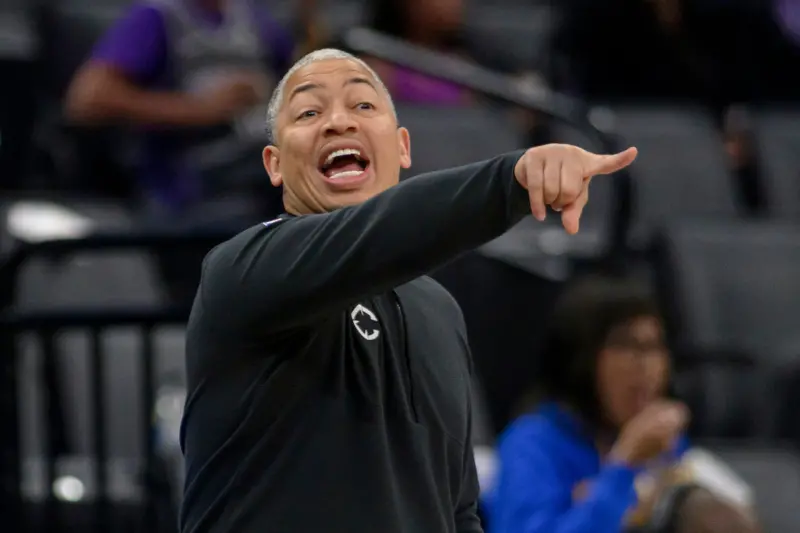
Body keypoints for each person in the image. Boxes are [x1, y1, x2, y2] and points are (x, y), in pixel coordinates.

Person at [178, 48, 638, 533]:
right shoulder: (242, 271)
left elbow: (456, 507)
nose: (339, 122)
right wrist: (511, 181)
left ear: (402, 147)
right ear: (274, 164)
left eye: (363, 105)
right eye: (309, 112)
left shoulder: (437, 310)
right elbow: (382, 231)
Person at [486, 276, 759, 533]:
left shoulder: (666, 445)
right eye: (626, 345)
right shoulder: (532, 445)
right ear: (581, 359)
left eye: (655, 346)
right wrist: (625, 465)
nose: (646, 365)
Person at [65, 0, 294, 220]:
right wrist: (200, 109)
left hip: (259, 168)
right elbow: (87, 99)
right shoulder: (155, 17)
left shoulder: (254, 17)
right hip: (190, 187)